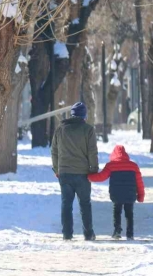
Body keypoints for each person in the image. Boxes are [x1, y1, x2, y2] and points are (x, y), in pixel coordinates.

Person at [51, 102, 98, 241]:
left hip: (64, 173)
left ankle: (67, 234)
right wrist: (93, 170)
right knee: (85, 204)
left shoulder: (60, 129)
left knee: (66, 204)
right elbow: (92, 152)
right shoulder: (88, 130)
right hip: (83, 174)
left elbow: (54, 151)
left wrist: (56, 169)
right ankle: (88, 234)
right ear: (84, 115)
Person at [88, 145, 145, 240]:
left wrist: (89, 177)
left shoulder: (111, 165)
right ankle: (130, 234)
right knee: (129, 213)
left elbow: (101, 177)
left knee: (117, 212)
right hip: (130, 194)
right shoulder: (133, 166)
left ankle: (117, 230)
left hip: (116, 194)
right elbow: (139, 182)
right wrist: (141, 196)